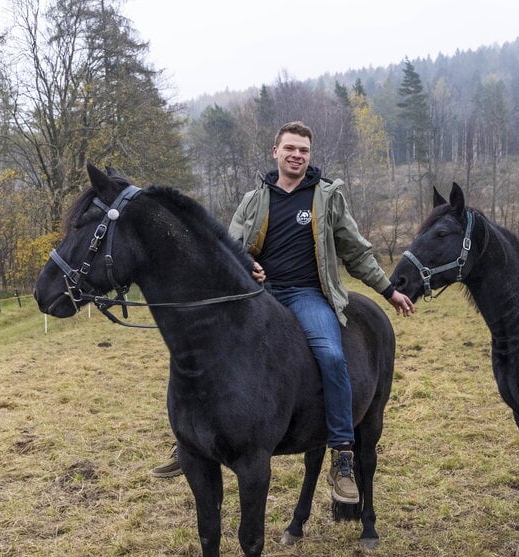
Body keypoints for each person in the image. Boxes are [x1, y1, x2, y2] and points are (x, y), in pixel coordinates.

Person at [152, 121, 414, 503]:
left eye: (304, 151)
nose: (297, 155)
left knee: (330, 354)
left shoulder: (326, 197)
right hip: (260, 295)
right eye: (290, 148)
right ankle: (191, 439)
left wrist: (388, 290)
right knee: (206, 349)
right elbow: (229, 249)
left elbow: (355, 251)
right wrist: (246, 264)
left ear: (310, 156)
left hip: (307, 295)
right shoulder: (254, 200)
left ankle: (342, 453)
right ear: (275, 152)